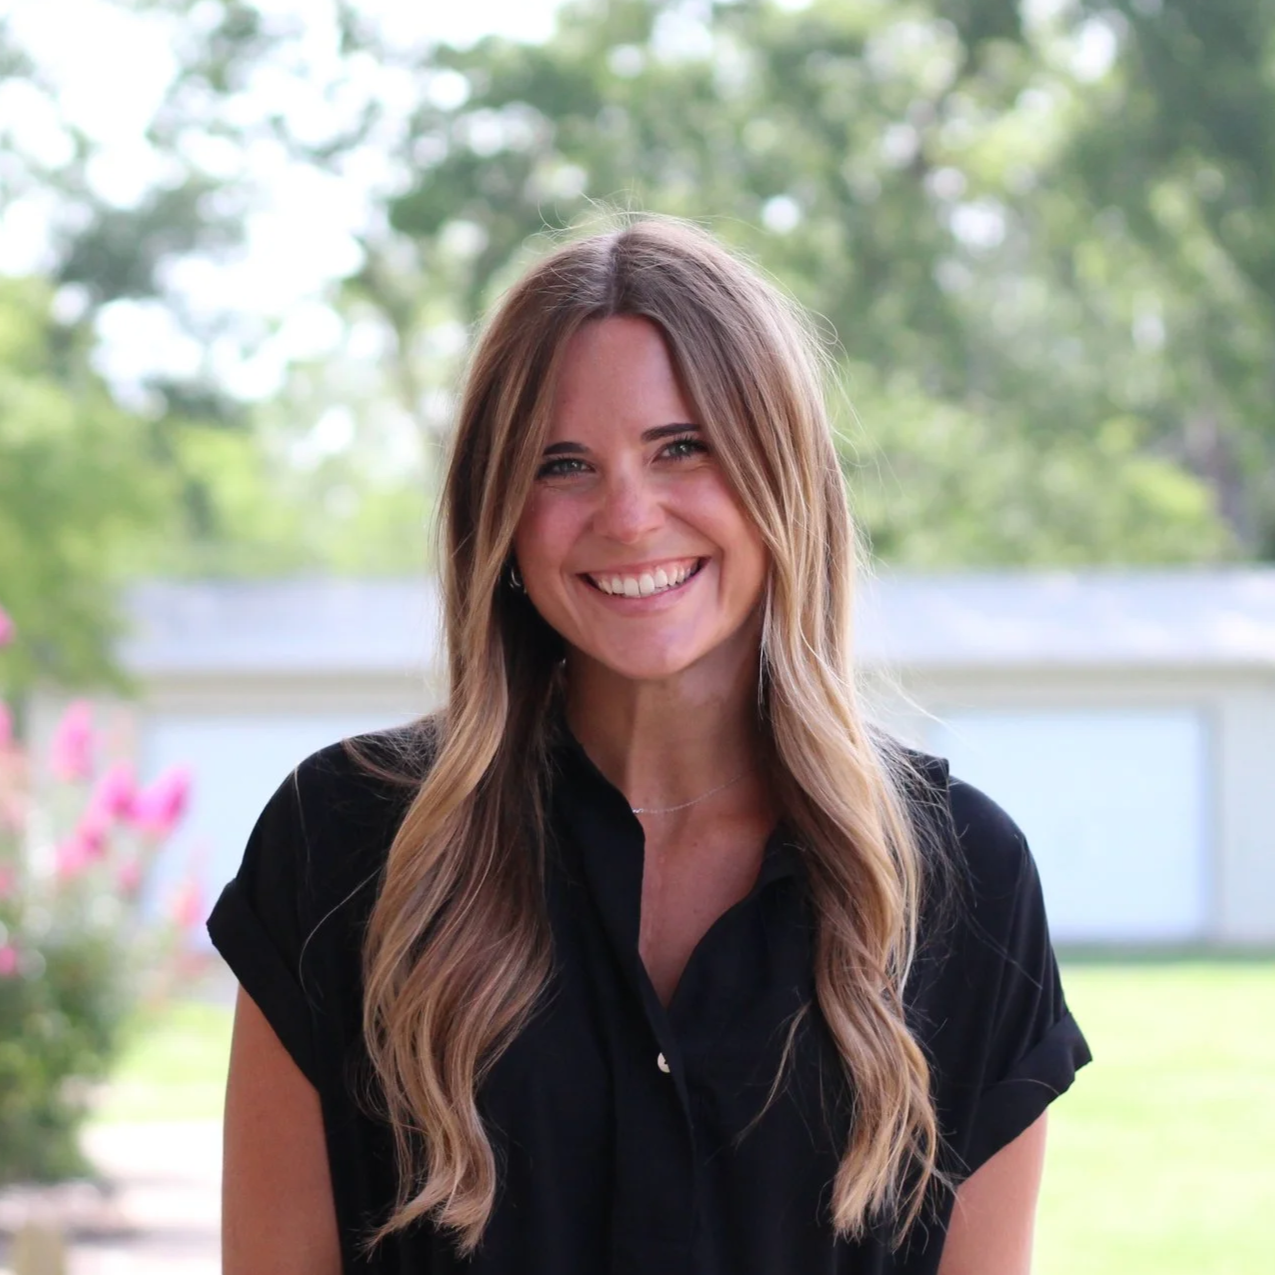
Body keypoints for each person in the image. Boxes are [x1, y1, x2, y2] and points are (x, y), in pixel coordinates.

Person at [210, 217, 1090, 1275]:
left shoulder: (963, 882)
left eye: (681, 447)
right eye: (562, 465)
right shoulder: (342, 845)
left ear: (782, 473)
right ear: (499, 516)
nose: (627, 517)